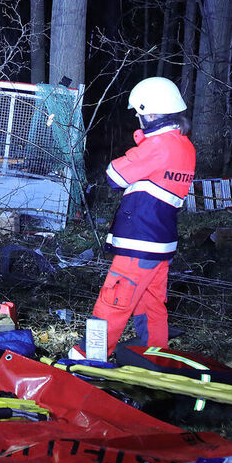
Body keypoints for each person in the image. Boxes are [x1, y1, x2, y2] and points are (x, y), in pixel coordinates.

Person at [70, 77, 196, 359]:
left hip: (140, 241)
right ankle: (154, 355)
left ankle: (89, 357)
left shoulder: (158, 145)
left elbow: (115, 175)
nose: (137, 119)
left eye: (139, 114)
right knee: (151, 303)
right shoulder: (185, 146)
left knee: (115, 298)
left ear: (150, 113)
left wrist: (142, 142)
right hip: (161, 242)